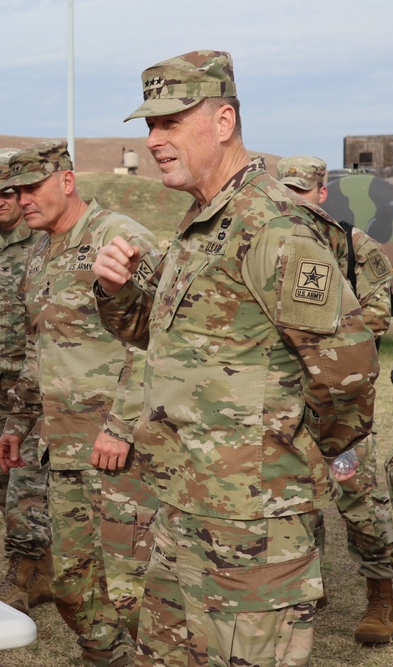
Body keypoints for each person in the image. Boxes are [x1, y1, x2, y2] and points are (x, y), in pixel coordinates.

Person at [92, 50, 380, 666]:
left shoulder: (273, 226)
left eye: (171, 123)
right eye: (150, 126)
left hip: (253, 524)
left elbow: (349, 372)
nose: (154, 140)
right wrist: (114, 293)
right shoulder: (202, 223)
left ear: (223, 122)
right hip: (182, 506)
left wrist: (288, 458)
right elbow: (157, 337)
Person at [0, 140, 157, 666]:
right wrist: (17, 423)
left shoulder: (120, 238)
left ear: (67, 180)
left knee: (137, 590)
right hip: (64, 452)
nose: (21, 200)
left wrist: (123, 425)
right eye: (14, 191)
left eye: (32, 188)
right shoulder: (40, 251)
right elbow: (38, 347)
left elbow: (165, 339)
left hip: (121, 454)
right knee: (72, 584)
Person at [278, 155, 393, 643]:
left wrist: (324, 346)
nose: (294, 201)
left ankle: (382, 595)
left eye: (302, 192)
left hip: (342, 406)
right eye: (287, 192)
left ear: (321, 194)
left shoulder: (352, 246)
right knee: (292, 501)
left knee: (361, 498)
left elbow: (381, 309)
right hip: (285, 401)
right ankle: (306, 586)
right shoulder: (271, 244)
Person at [0, 148, 53, 613]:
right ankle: (46, 568)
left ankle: (22, 576)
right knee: (1, 477)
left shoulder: (43, 241)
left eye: (7, 193)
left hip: (36, 382)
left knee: (28, 481)